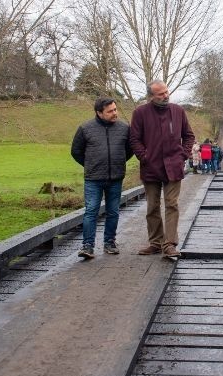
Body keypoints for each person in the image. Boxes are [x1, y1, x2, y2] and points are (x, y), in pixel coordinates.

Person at [130, 80, 196, 259]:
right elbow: (134, 139)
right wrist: (144, 157)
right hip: (151, 167)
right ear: (151, 96)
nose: (166, 96)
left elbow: (189, 136)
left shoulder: (178, 111)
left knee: (172, 204)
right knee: (152, 206)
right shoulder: (140, 113)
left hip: (173, 166)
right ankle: (156, 242)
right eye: (160, 94)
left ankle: (170, 244)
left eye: (166, 92)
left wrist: (183, 155)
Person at [70, 97, 133, 259]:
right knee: (91, 211)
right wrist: (91, 164)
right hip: (93, 178)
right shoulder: (85, 128)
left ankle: (109, 242)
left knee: (113, 211)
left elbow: (129, 150)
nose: (115, 113)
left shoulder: (124, 128)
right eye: (110, 111)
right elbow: (76, 151)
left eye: (115, 109)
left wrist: (117, 162)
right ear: (99, 113)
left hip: (116, 178)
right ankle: (88, 246)